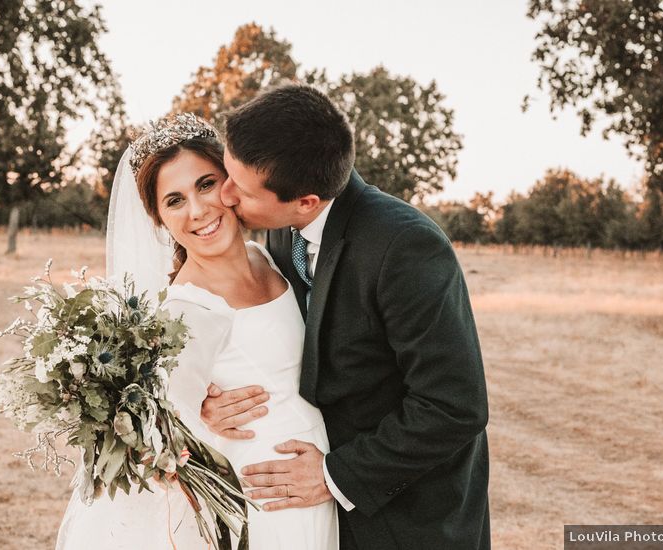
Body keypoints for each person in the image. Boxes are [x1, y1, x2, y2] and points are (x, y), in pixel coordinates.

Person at [199, 84, 491, 549]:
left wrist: (336, 475)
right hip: (318, 520)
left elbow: (454, 405)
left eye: (243, 188)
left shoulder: (406, 248)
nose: (227, 196)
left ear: (306, 201)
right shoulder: (279, 234)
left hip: (407, 520)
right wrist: (213, 403)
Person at [55, 114, 338, 549]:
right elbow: (165, 436)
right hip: (271, 492)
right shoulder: (189, 308)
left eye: (206, 184)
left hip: (311, 478)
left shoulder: (264, 256)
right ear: (159, 219)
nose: (198, 210)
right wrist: (206, 418)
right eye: (174, 200)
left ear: (231, 183)